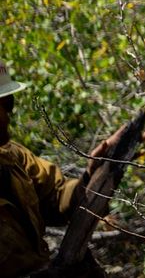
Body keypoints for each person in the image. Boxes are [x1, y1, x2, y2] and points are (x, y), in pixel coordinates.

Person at [0, 61, 105, 277]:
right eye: (4, 103)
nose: (9, 114)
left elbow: (55, 197)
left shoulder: (13, 158)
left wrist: (92, 177)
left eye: (9, 102)